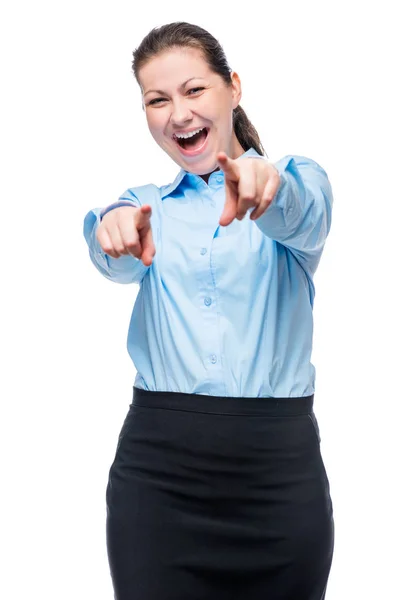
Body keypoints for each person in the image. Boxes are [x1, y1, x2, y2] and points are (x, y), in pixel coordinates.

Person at [83, 21, 334, 600]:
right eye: (157, 99)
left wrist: (264, 186)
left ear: (233, 88)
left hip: (279, 474)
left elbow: (302, 214)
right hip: (158, 477)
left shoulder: (296, 178)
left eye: (194, 90)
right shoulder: (146, 205)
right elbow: (114, 254)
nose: (178, 113)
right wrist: (113, 231)